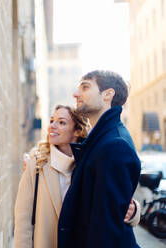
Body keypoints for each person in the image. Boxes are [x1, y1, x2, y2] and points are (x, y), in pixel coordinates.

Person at [14, 105, 139, 248]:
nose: (52, 126)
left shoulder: (91, 163)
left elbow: (112, 202)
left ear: (77, 131)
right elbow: (23, 223)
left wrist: (134, 210)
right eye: (52, 121)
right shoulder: (35, 166)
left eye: (61, 122)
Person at [58, 70, 141, 248]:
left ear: (107, 95)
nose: (75, 94)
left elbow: (106, 230)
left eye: (85, 87)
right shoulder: (99, 139)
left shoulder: (115, 145)